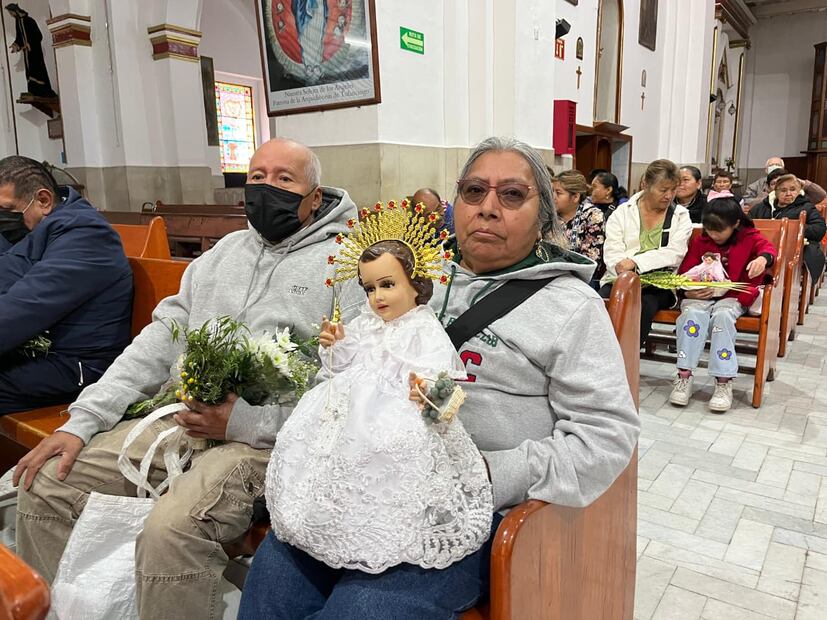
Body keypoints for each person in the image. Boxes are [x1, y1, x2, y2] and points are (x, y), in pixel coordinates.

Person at [238, 137, 640, 617]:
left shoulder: (571, 308)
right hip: (363, 483)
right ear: (455, 205)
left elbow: (607, 436)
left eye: (512, 195)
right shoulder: (408, 275)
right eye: (474, 192)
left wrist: (491, 475)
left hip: (462, 507)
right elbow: (352, 369)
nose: (488, 208)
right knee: (271, 584)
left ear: (544, 215)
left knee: (362, 611)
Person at [14, 138, 363, 620]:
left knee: (172, 529)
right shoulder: (224, 254)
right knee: (47, 479)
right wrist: (83, 420)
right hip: (184, 416)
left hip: (268, 441)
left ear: (316, 198)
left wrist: (241, 420)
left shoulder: (349, 264)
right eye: (257, 177)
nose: (266, 188)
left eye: (284, 179)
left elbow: (349, 383)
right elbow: (159, 340)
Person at [246, 233, 492, 615]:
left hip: (399, 423)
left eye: (388, 285)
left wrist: (428, 392)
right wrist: (336, 344)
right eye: (370, 288)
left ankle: (386, 532)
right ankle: (333, 520)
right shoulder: (367, 322)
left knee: (391, 467)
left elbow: (446, 382)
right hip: (350, 422)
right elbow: (346, 362)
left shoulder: (423, 328)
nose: (378, 297)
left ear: (416, 284)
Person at [0, 156, 132, 415]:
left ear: (43, 201)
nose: (3, 220)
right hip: (33, 350)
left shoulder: (88, 236)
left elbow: (25, 308)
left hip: (78, 365)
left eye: (6, 210)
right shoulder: (32, 230)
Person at [669, 195, 777, 412]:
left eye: (719, 230)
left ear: (736, 223)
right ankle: (684, 375)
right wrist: (689, 290)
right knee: (691, 316)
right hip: (701, 295)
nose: (713, 234)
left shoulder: (750, 237)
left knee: (722, 317)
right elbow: (686, 270)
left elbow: (768, 250)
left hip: (733, 295)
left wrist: (762, 259)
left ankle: (723, 380)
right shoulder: (702, 240)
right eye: (709, 229)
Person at [599, 159, 693, 346]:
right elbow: (612, 250)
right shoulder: (622, 212)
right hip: (619, 278)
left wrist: (636, 263)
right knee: (599, 303)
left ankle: (627, 362)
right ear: (646, 185)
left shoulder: (680, 215)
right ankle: (598, 357)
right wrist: (623, 269)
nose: (669, 196)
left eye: (673, 190)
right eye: (663, 190)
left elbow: (674, 253)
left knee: (641, 306)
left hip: (659, 284)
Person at [748, 173, 826, 281]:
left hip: (792, 249)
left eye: (793, 189)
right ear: (776, 192)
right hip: (764, 247)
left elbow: (819, 229)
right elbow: (746, 225)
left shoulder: (806, 207)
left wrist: (795, 230)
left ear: (799, 191)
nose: (788, 193)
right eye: (783, 190)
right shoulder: (762, 207)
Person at [551, 170, 605, 286]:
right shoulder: (549, 215)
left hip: (581, 277)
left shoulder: (592, 215)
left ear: (575, 197)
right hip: (550, 273)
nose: (552, 197)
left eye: (558, 193)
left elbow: (591, 258)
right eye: (552, 191)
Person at [4, 3, 57, 99]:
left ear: (14, 11)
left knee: (37, 69)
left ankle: (44, 91)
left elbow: (39, 36)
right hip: (27, 53)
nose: (11, 15)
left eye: (10, 12)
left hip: (35, 51)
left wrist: (30, 43)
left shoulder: (30, 21)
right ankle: (33, 91)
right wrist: (16, 45)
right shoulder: (18, 22)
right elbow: (19, 37)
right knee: (29, 71)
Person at [743, 157, 826, 208]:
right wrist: (766, 199)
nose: (778, 186)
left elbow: (821, 196)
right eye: (774, 183)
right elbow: (746, 202)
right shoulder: (758, 188)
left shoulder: (799, 198)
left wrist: (804, 183)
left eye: (777, 164)